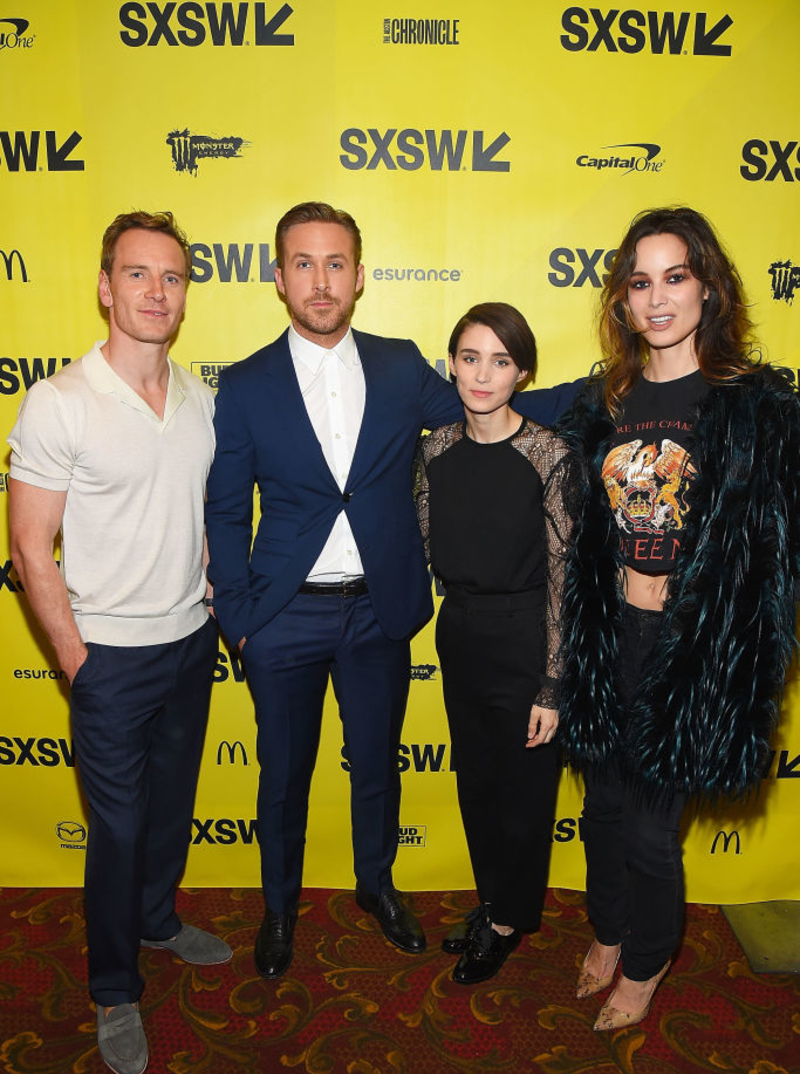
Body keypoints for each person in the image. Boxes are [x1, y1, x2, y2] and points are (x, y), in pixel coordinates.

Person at [204, 201, 578, 981]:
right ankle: (278, 908)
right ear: (277, 278)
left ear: (361, 275)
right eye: (302, 263)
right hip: (281, 615)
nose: (320, 279)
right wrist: (239, 619)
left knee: (376, 764)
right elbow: (228, 507)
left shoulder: (402, 364)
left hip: (379, 611)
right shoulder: (243, 384)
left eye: (335, 263)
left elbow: (495, 411)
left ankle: (378, 887)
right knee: (283, 773)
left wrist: (616, 383)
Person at [557, 206, 800, 1030]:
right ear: (622, 299)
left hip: (690, 647)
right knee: (601, 810)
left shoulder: (753, 407)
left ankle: (649, 962)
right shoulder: (603, 402)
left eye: (675, 276)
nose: (658, 298)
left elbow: (776, 551)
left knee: (655, 833)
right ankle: (610, 927)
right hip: (607, 636)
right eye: (640, 281)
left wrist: (739, 643)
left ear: (708, 286)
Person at [8, 211, 231, 1074]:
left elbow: (200, 511)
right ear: (105, 286)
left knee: (170, 809)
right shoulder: (59, 400)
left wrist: (213, 591)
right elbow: (31, 547)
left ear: (184, 296)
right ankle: (113, 985)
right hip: (108, 657)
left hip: (188, 643)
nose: (155, 291)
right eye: (137, 274)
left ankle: (156, 917)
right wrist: (77, 663)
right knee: (120, 825)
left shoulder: (200, 398)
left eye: (171, 277)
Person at [413, 304, 581, 983]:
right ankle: (495, 902)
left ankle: (511, 918)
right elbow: (426, 541)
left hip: (526, 636)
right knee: (478, 784)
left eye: (501, 360)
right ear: (450, 362)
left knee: (524, 793)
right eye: (470, 356)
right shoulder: (434, 449)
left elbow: (563, 580)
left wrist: (551, 683)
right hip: (461, 633)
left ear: (524, 372)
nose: (483, 374)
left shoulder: (549, 454)